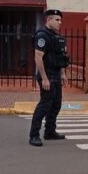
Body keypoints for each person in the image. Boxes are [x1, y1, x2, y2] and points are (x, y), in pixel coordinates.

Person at [29, 9, 69, 147]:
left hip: (56, 75)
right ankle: (34, 135)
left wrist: (63, 74)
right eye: (57, 20)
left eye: (60, 20)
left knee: (56, 105)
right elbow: (38, 57)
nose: (60, 23)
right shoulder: (42, 35)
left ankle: (49, 132)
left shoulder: (55, 36)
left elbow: (60, 57)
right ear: (49, 20)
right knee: (44, 105)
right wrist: (44, 78)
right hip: (47, 76)